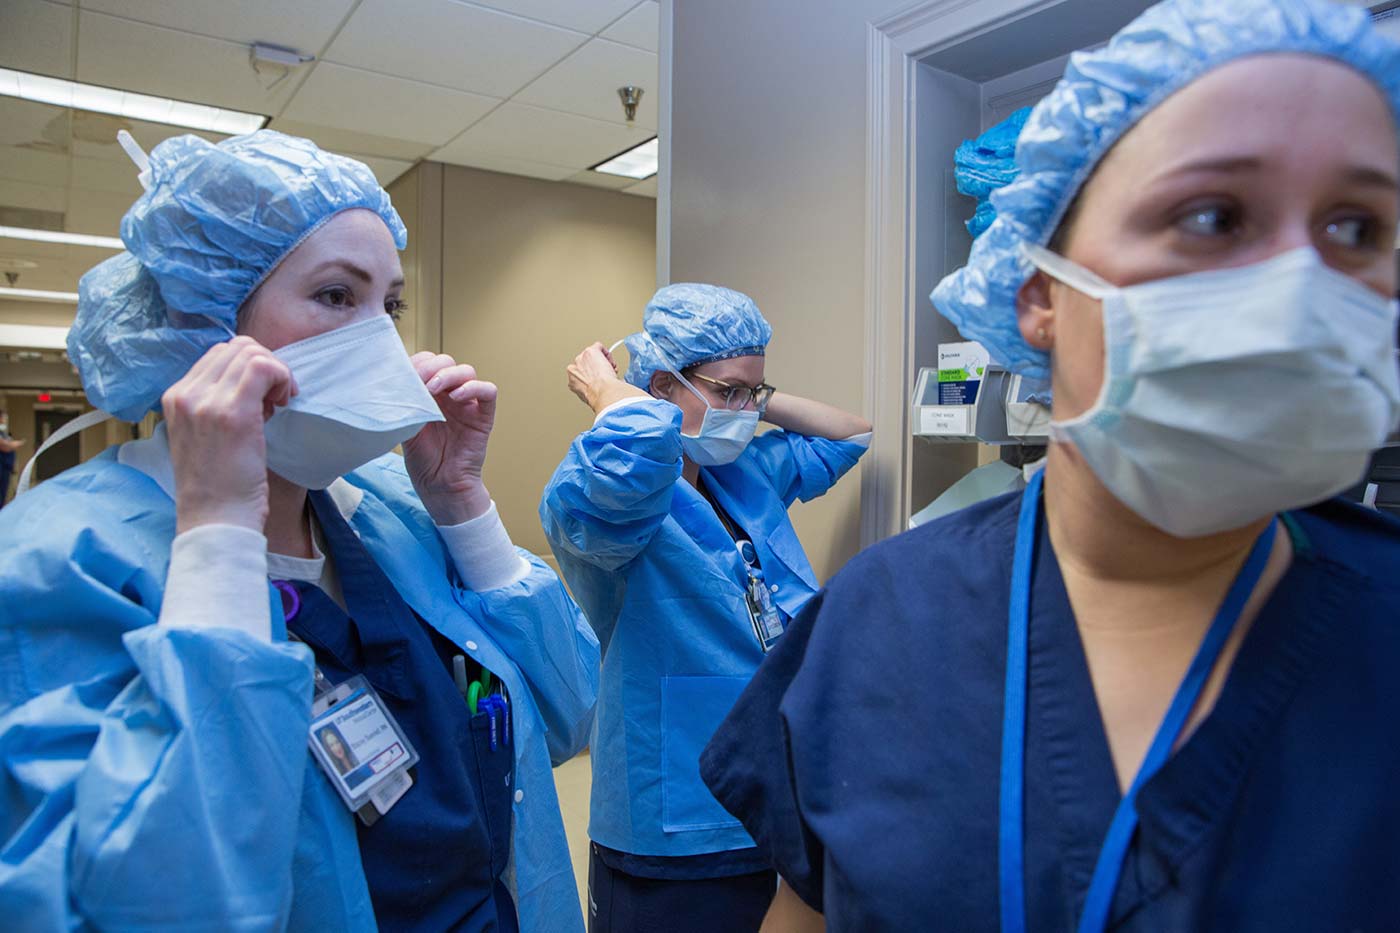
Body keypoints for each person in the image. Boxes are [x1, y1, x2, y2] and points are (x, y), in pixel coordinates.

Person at [700, 1, 1400, 929]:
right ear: (1040, 299)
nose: (1298, 290)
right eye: (1212, 213)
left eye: (1357, 229)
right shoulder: (878, 624)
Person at [0, 130, 599, 932]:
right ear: (205, 322)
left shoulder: (387, 508)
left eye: (389, 305)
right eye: (335, 296)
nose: (381, 341)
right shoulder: (63, 557)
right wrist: (217, 530)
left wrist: (460, 499)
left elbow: (574, 713)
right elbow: (151, 904)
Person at [541, 284, 871, 932]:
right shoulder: (614, 507)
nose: (745, 412)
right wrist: (610, 394)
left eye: (755, 394)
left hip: (762, 798)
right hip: (670, 823)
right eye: (728, 392)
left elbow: (850, 434)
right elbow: (628, 462)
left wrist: (749, 396)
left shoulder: (741, 476)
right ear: (661, 386)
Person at [0, 408, 23, 507]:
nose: (4, 419)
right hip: (2, 467)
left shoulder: (2, 432)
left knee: (3, 495)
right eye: (3, 417)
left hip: (6, 468)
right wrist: (15, 444)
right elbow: (4, 446)